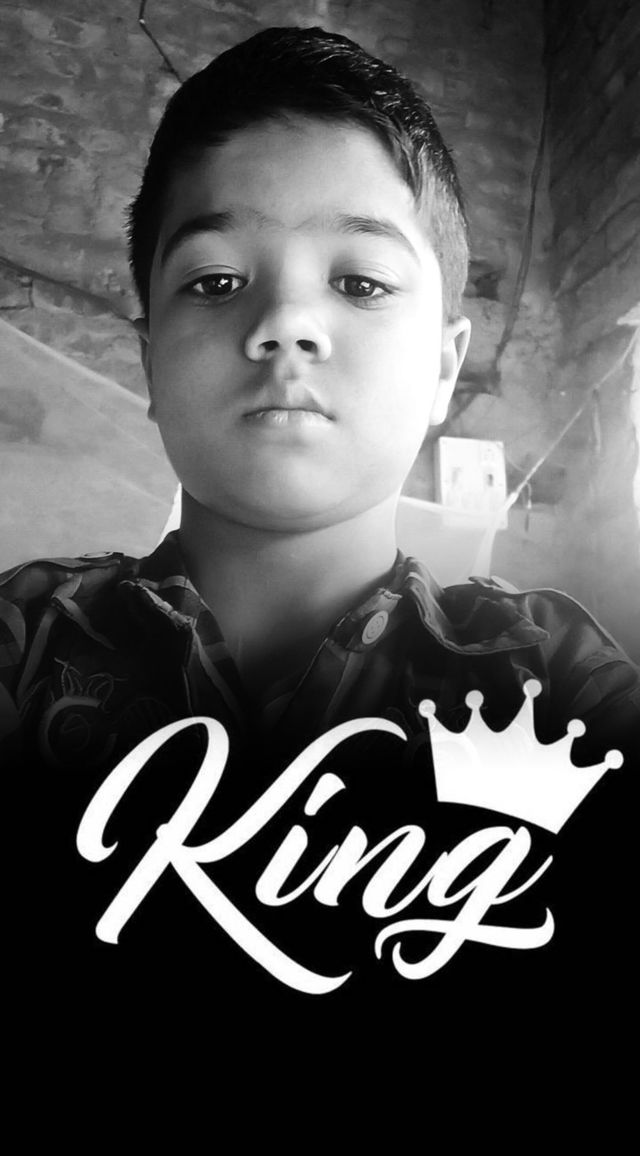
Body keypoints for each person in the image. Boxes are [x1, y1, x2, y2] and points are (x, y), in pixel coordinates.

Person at [1, 27, 638, 1025]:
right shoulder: (23, 644)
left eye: (360, 282)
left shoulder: (548, 683)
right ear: (150, 360)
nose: (285, 323)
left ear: (444, 365)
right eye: (216, 281)